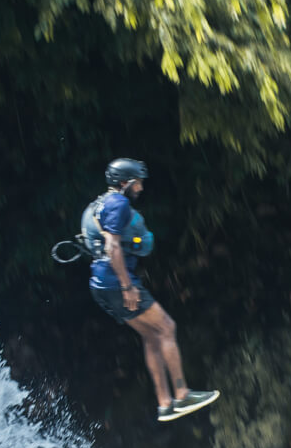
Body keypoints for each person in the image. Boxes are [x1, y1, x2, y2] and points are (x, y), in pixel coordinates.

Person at [87, 158, 219, 422]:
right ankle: (182, 394)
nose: (141, 187)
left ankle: (164, 403)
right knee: (167, 327)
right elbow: (113, 246)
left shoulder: (99, 204)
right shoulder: (118, 203)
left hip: (100, 284)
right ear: (124, 183)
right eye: (138, 182)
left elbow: (98, 242)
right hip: (116, 283)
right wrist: (127, 287)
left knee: (151, 335)